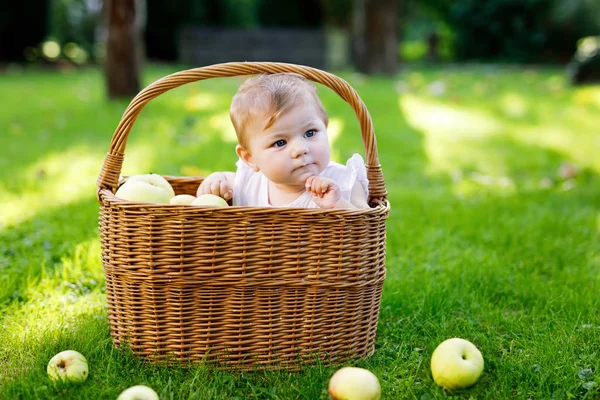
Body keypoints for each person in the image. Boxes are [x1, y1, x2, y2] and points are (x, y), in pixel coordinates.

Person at [196, 73, 370, 209]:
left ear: (325, 127)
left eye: (310, 133)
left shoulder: (344, 181)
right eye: (280, 143)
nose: (300, 149)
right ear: (250, 158)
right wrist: (213, 182)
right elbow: (223, 181)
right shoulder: (248, 183)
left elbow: (368, 226)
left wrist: (338, 204)